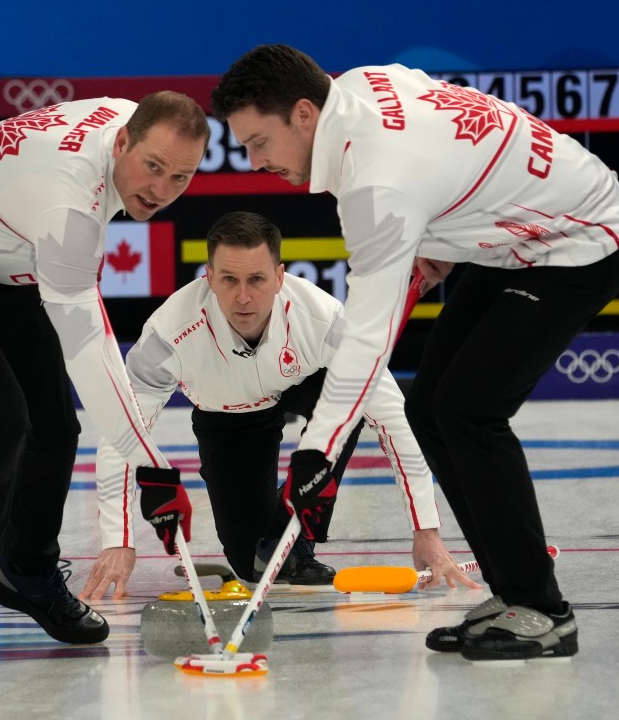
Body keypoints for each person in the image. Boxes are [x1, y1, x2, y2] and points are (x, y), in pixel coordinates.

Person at [211, 46, 619, 661]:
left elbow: (367, 340)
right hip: (512, 233)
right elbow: (453, 149)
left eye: (258, 142)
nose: (255, 163)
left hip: (580, 238)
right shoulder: (357, 87)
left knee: (469, 409)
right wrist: (435, 236)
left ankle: (544, 612)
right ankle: (514, 594)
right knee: (431, 407)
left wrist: (316, 452)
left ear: (304, 113)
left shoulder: (376, 185)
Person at [0, 92, 210, 663]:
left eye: (181, 177)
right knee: (2, 424)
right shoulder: (68, 204)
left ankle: (26, 571)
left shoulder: (132, 122)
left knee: (55, 425)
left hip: (4, 255)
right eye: (153, 168)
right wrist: (152, 468)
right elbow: (90, 350)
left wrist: (146, 467)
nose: (161, 189)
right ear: (122, 142)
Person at [79, 211, 477, 600]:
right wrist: (118, 540)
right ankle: (275, 524)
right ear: (209, 277)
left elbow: (394, 419)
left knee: (348, 404)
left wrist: (427, 532)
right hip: (229, 416)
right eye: (229, 279)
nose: (243, 297)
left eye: (257, 279)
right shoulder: (168, 334)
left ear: (280, 277)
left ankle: (298, 530)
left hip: (304, 387)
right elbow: (122, 431)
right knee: (254, 561)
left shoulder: (324, 319)